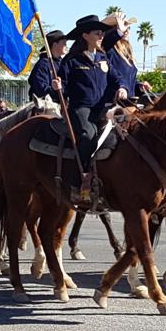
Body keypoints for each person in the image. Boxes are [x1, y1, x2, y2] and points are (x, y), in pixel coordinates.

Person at [52, 15, 125, 200]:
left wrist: (122, 87)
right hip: (80, 108)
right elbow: (62, 89)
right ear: (85, 35)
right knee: (89, 137)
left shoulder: (103, 57)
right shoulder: (72, 60)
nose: (101, 34)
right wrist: (57, 88)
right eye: (97, 32)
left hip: (102, 108)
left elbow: (116, 78)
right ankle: (80, 180)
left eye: (102, 31)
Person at [100, 11, 152, 105]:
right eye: (123, 26)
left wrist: (140, 86)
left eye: (128, 27)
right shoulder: (109, 49)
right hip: (112, 103)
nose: (126, 30)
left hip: (128, 102)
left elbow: (130, 80)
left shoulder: (127, 52)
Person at [27, 29, 70, 102]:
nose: (66, 45)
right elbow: (40, 89)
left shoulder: (64, 64)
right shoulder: (42, 65)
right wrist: (54, 89)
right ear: (55, 44)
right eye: (64, 43)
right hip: (46, 106)